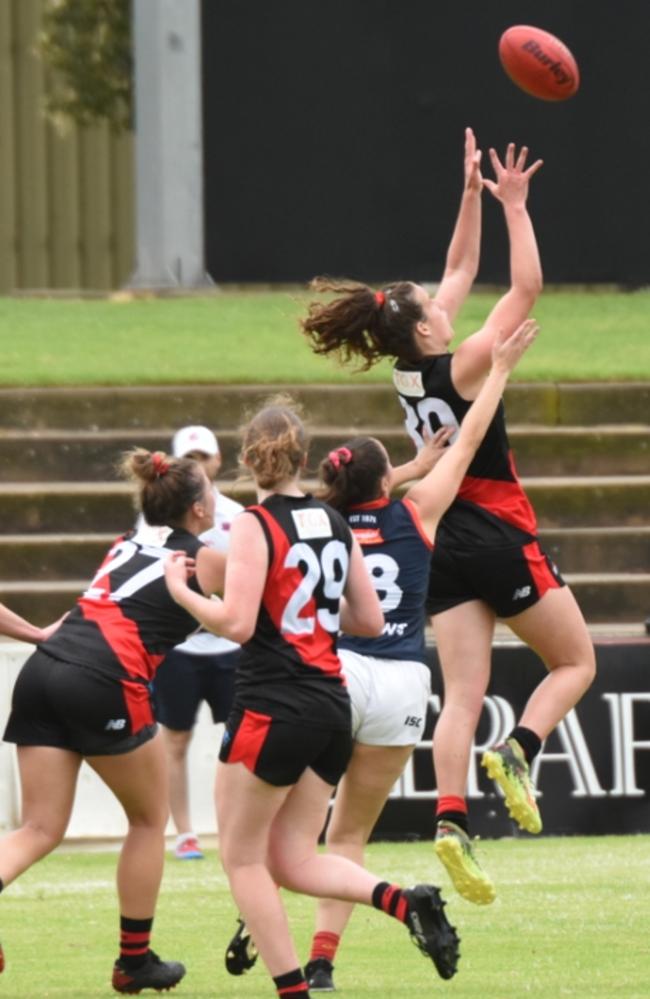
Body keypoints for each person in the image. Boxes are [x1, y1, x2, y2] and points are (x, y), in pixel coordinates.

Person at [300, 129, 596, 906]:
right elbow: (525, 287)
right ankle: (522, 748)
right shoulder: (462, 363)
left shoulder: (408, 365)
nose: (444, 301)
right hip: (494, 522)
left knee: (462, 690)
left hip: (441, 536)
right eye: (435, 306)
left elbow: (461, 268)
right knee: (575, 663)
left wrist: (469, 197)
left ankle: (452, 818)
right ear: (429, 328)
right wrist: (517, 209)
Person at [164, 398, 461, 999]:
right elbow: (371, 622)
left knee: (244, 859)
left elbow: (240, 624)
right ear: (305, 458)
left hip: (273, 699)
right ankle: (404, 903)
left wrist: (183, 591)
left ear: (246, 459)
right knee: (293, 859)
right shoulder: (334, 523)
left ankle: (292, 990)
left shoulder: (254, 523)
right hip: (330, 701)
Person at [0, 448, 225, 993]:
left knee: (38, 828)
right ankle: (134, 961)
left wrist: (34, 634)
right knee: (149, 821)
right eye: (211, 493)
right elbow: (247, 616)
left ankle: (136, 961)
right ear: (197, 509)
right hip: (103, 681)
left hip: (43, 670)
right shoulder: (206, 558)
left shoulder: (124, 543)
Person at [134, 424, 243, 861]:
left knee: (239, 740)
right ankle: (185, 833)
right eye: (189, 459)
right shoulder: (154, 523)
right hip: (180, 650)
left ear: (217, 461)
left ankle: (236, 826)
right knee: (174, 739)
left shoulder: (237, 515)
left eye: (204, 457)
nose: (199, 465)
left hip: (229, 647)